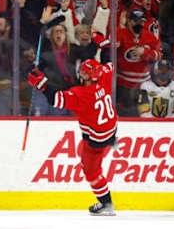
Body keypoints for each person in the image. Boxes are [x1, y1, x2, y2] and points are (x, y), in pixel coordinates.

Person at [28, 58, 117, 216]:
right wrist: (104, 45)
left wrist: (41, 84)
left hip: (96, 140)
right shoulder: (104, 76)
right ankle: (112, 141)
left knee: (91, 172)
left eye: (83, 73)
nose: (80, 74)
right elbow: (109, 64)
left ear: (86, 77)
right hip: (111, 128)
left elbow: (55, 99)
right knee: (96, 132)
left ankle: (106, 203)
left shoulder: (80, 95)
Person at [116, 9, 162, 116]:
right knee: (126, 115)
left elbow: (159, 55)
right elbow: (112, 46)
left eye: (141, 21)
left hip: (144, 85)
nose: (139, 24)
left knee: (144, 114)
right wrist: (120, 26)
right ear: (129, 21)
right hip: (124, 86)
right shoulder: (121, 33)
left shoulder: (149, 36)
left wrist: (144, 52)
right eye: (135, 21)